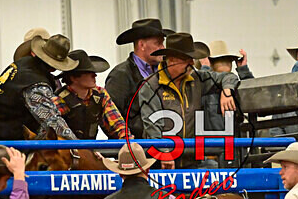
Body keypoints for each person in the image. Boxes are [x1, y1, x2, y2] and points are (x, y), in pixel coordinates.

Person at [138, 33, 239, 169]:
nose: (192, 63)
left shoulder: (197, 79)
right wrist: (164, 152)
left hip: (192, 159)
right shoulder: (151, 85)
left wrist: (227, 90)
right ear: (172, 60)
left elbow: (227, 76)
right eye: (187, 59)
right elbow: (152, 125)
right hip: (160, 162)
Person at [0, 34, 79, 141]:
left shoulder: (22, 64)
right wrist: (78, 146)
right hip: (1, 138)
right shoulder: (36, 83)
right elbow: (52, 121)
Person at [105, 19, 168, 137]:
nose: (163, 47)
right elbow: (108, 117)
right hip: (136, 147)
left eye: (162, 43)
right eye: (158, 43)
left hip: (163, 143)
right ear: (142, 45)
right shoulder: (120, 76)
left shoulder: (164, 72)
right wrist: (128, 142)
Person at [53, 50, 131, 139]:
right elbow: (52, 133)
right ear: (73, 77)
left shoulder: (100, 94)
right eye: (88, 72)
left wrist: (128, 141)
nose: (95, 75)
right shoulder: (59, 100)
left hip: (92, 149)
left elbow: (117, 125)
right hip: (68, 150)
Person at [199, 40, 254, 136]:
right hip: (211, 144)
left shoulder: (235, 84)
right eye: (220, 59)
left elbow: (253, 96)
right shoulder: (201, 86)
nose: (225, 63)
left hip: (231, 144)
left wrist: (243, 70)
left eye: (228, 60)